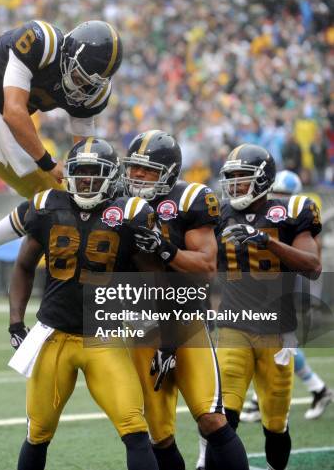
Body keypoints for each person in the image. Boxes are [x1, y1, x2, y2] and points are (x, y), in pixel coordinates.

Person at [6, 137, 159, 470]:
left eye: (95, 172)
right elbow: (23, 266)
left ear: (111, 176)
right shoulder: (48, 205)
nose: (86, 180)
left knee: (134, 427)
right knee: (38, 431)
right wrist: (15, 322)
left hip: (106, 337)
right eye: (80, 172)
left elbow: (153, 277)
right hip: (54, 336)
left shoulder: (131, 213)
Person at [121, 130, 249, 470]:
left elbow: (206, 267)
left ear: (168, 172)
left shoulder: (191, 198)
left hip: (186, 322)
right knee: (159, 434)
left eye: (146, 170)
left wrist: (164, 248)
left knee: (211, 419)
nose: (136, 176)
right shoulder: (115, 200)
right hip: (141, 329)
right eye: (133, 168)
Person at [0, 20, 122, 196]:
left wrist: (80, 182)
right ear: (68, 53)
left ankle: (49, 234)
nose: (81, 88)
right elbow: (14, 112)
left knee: (48, 192)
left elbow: (83, 153)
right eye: (79, 77)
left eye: (89, 85)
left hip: (5, 126)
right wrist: (49, 163)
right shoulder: (43, 42)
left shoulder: (95, 94)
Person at [214, 144, 322, 470]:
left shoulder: (290, 211)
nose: (234, 186)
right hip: (233, 325)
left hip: (277, 331)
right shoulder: (218, 213)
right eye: (230, 178)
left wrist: (267, 241)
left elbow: (313, 265)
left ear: (263, 180)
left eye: (242, 179)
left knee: (274, 424)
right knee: (223, 417)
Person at [239, 170, 331, 423]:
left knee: (278, 340)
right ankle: (313, 390)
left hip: (289, 287)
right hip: (273, 288)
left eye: (285, 195)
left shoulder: (299, 221)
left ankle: (311, 390)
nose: (279, 199)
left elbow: (312, 265)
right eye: (276, 193)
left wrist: (310, 296)